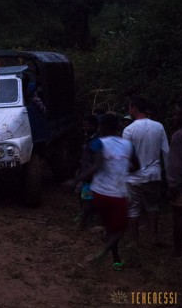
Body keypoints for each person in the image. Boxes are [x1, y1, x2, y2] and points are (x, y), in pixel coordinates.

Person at [64, 113, 140, 270]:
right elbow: (137, 166)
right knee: (119, 228)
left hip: (99, 193)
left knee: (110, 228)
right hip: (117, 194)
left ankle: (116, 259)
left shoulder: (98, 143)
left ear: (101, 127)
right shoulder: (128, 145)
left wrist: (75, 180)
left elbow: (96, 166)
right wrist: (124, 167)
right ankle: (104, 253)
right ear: (118, 126)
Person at [122, 96, 169, 247]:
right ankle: (153, 237)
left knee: (133, 208)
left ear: (134, 108)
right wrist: (168, 175)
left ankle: (134, 241)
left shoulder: (129, 130)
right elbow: (166, 152)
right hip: (153, 174)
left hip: (133, 177)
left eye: (129, 107)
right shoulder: (159, 126)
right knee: (152, 206)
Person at [166, 100, 182, 258]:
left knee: (179, 216)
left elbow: (176, 165)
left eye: (177, 113)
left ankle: (177, 251)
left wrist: (173, 186)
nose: (174, 117)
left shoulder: (179, 136)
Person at [74, 114, 99, 230]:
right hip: (85, 173)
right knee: (82, 195)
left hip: (91, 175)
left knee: (87, 199)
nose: (85, 128)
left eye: (87, 126)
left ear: (94, 126)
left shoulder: (97, 141)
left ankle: (83, 223)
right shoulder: (88, 139)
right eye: (84, 126)